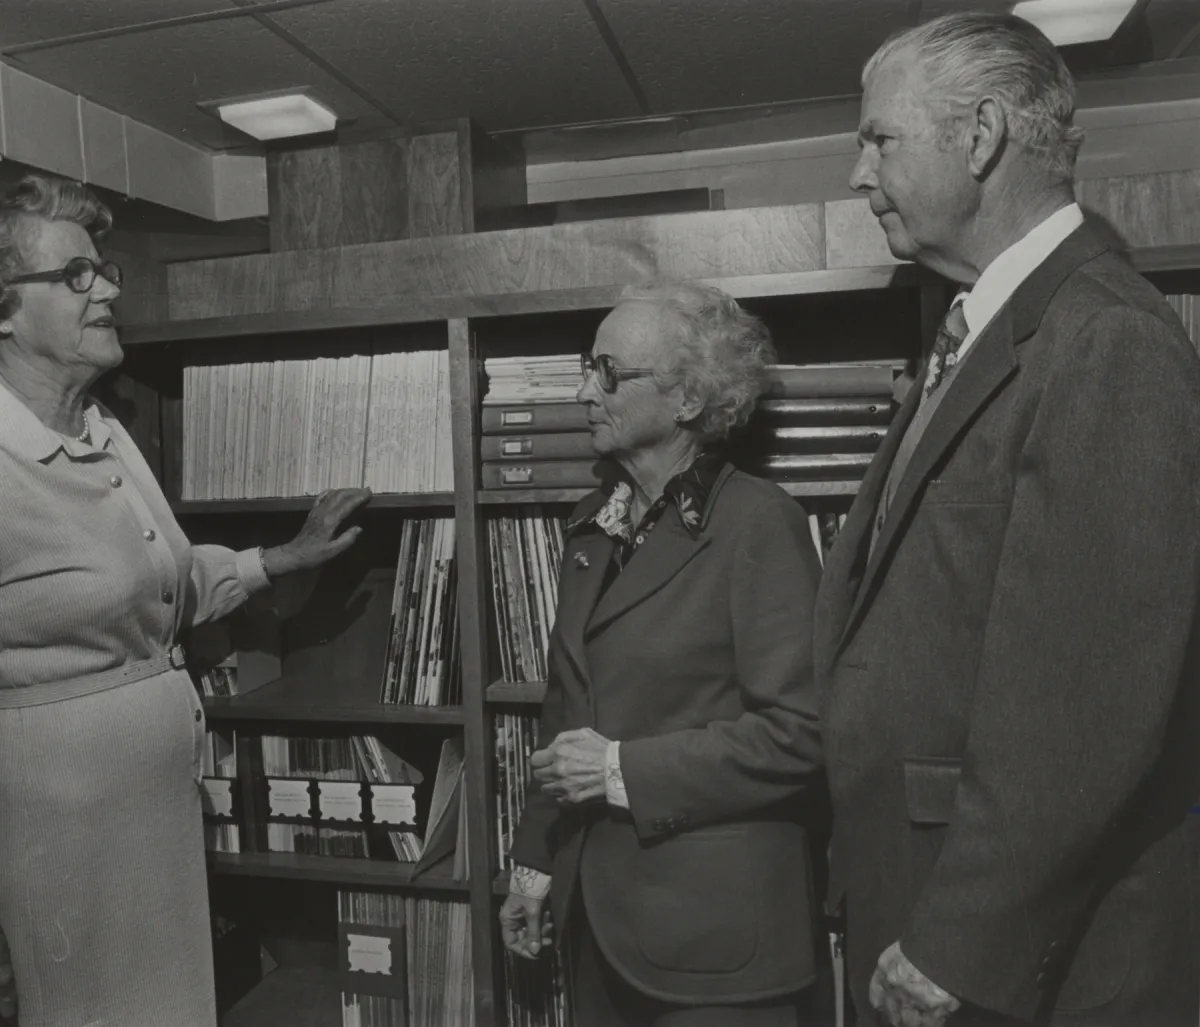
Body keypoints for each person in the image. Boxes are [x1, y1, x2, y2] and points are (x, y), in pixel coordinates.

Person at [0, 173, 371, 1027]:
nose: (105, 290)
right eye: (76, 275)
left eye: (103, 270)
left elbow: (151, 583)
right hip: (57, 859)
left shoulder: (101, 431)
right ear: (0, 307)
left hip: (151, 835)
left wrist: (276, 560)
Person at [819, 12, 1200, 1026]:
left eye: (878, 139)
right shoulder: (988, 330)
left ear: (981, 134)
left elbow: (1086, 702)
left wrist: (959, 942)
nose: (857, 174)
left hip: (1001, 959)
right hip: (931, 901)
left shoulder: (1106, 339)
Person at [498, 282, 824, 1027]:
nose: (584, 391)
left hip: (715, 946)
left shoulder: (759, 523)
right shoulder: (592, 527)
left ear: (687, 399)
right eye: (587, 368)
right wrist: (533, 866)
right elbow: (566, 713)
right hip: (598, 928)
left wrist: (619, 770)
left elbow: (801, 734)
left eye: (609, 373)